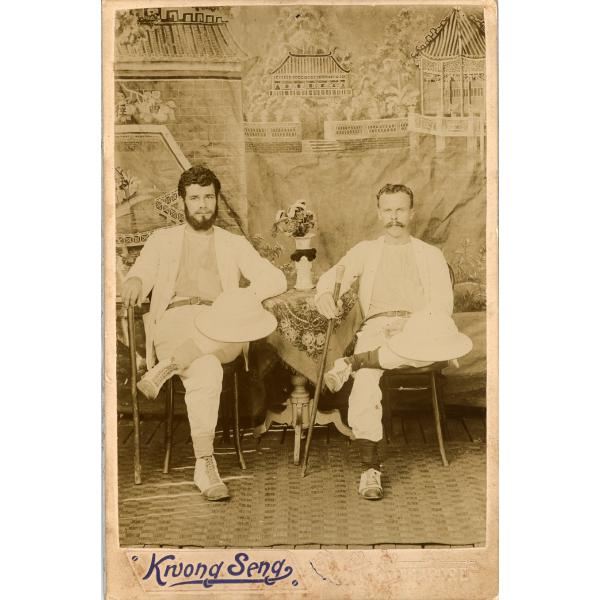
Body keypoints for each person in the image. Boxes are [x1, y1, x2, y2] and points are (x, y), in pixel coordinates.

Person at [121, 165, 287, 501]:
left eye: (208, 197)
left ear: (216, 200)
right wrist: (135, 281)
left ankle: (167, 367)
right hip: (176, 321)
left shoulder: (233, 244)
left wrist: (242, 297)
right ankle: (205, 463)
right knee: (207, 368)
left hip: (222, 321)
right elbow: (140, 273)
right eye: (194, 198)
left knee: (233, 308)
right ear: (182, 201)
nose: (202, 205)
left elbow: (275, 280)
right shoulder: (162, 240)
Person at [314, 183, 454, 500]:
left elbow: (443, 307)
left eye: (400, 210)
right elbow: (333, 276)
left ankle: (348, 363)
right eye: (388, 210)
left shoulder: (430, 255)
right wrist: (324, 295)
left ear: (412, 213)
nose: (394, 217)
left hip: (420, 328)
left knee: (406, 350)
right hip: (377, 328)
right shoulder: (367, 251)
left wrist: (413, 324)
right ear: (379, 214)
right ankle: (370, 468)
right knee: (364, 380)